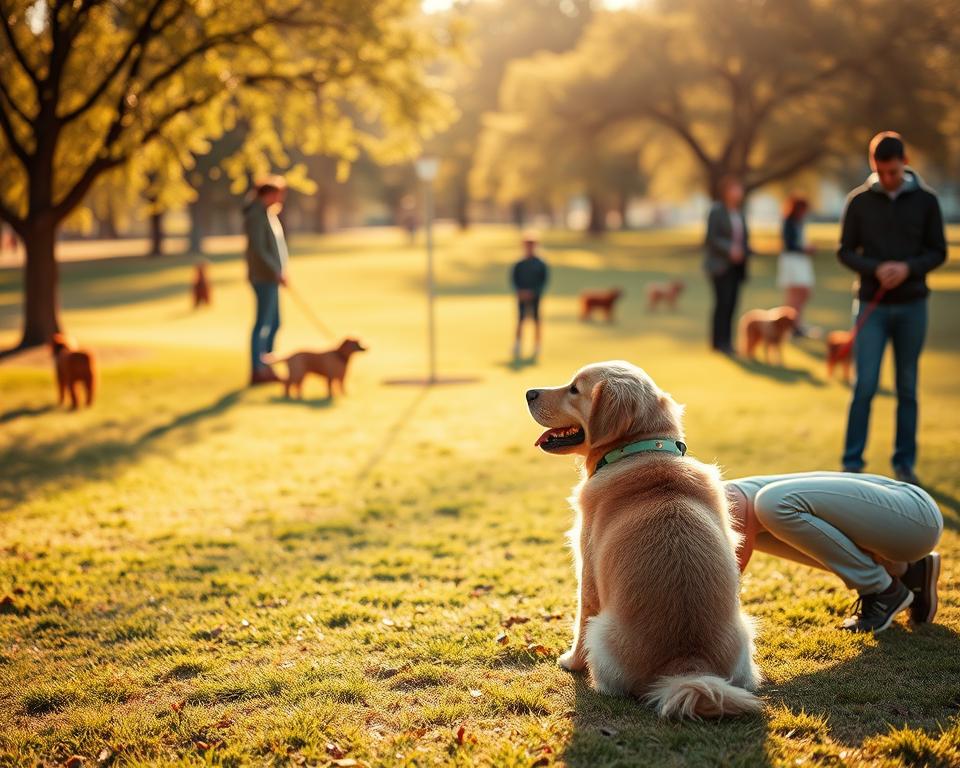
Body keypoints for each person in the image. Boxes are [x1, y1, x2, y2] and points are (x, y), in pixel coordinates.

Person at [837, 132, 947, 484]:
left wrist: (908, 268)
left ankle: (904, 464)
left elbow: (938, 250)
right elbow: (845, 250)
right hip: (872, 303)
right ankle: (852, 464)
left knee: (907, 387)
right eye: (881, 172)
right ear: (874, 166)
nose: (887, 178)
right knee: (864, 385)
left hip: (912, 304)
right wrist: (874, 269)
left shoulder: (927, 202)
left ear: (905, 162)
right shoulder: (859, 201)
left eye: (893, 172)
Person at [726, 471, 943, 633]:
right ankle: (904, 572)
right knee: (763, 522)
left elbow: (728, 575)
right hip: (901, 524)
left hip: (915, 514)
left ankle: (882, 590)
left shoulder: (726, 498)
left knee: (770, 504)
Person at [244, 176, 289, 385]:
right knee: (263, 323)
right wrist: (275, 271)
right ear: (268, 194)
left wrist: (283, 270)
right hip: (263, 277)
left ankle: (267, 364)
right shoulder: (256, 216)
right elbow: (260, 250)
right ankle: (258, 369)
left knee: (275, 322)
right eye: (278, 193)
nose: (281, 197)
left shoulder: (268, 214)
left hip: (272, 277)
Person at [704, 176, 750, 354]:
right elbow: (711, 238)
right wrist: (729, 249)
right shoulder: (717, 211)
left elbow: (744, 238)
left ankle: (728, 342)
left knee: (732, 304)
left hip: (737, 266)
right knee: (722, 303)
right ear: (725, 191)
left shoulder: (739, 212)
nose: (738, 192)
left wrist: (744, 250)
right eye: (734, 189)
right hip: (720, 265)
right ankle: (718, 342)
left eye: (739, 189)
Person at [777, 195, 815, 336]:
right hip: (792, 261)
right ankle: (790, 325)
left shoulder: (799, 223)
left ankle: (797, 322)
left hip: (801, 261)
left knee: (804, 293)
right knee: (794, 294)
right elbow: (789, 244)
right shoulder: (788, 222)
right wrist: (804, 249)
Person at [511, 232, 549, 360]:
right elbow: (514, 280)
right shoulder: (519, 264)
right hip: (522, 296)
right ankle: (517, 345)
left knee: (537, 321)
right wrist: (520, 291)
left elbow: (543, 281)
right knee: (521, 320)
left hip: (535, 296)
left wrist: (533, 292)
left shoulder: (540, 264)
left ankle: (537, 346)